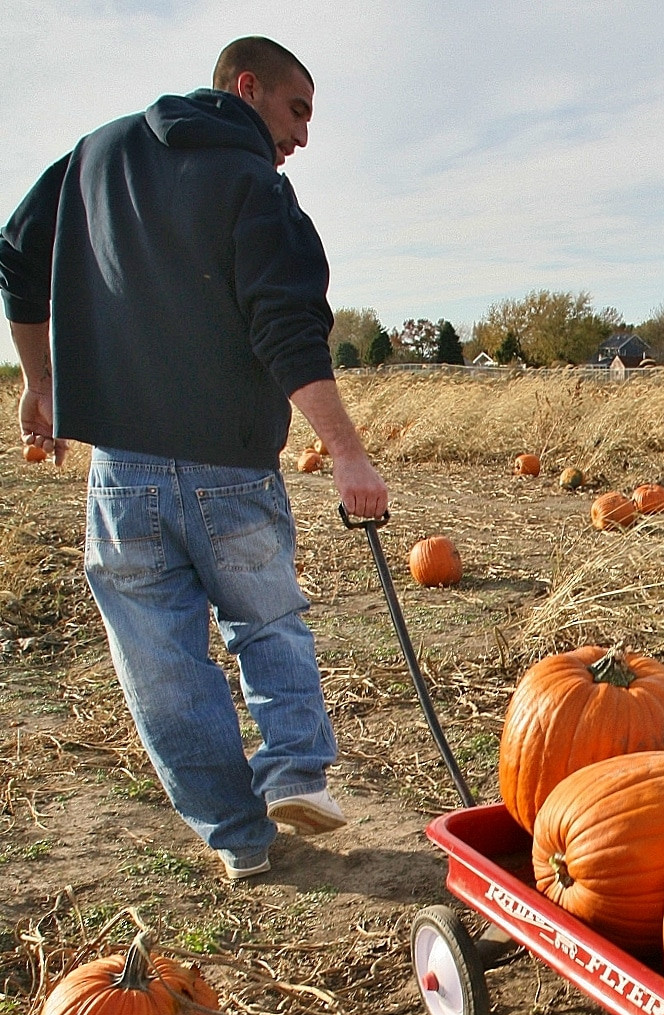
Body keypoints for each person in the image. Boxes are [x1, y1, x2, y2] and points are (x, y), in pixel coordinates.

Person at [0, 36, 389, 880]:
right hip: (230, 466)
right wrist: (348, 456)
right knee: (267, 618)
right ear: (246, 87)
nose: (304, 137)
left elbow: (15, 258)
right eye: (297, 110)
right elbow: (288, 326)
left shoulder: (94, 157)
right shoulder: (256, 187)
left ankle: (238, 838)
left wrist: (42, 382)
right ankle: (292, 770)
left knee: (161, 663)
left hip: (123, 476)